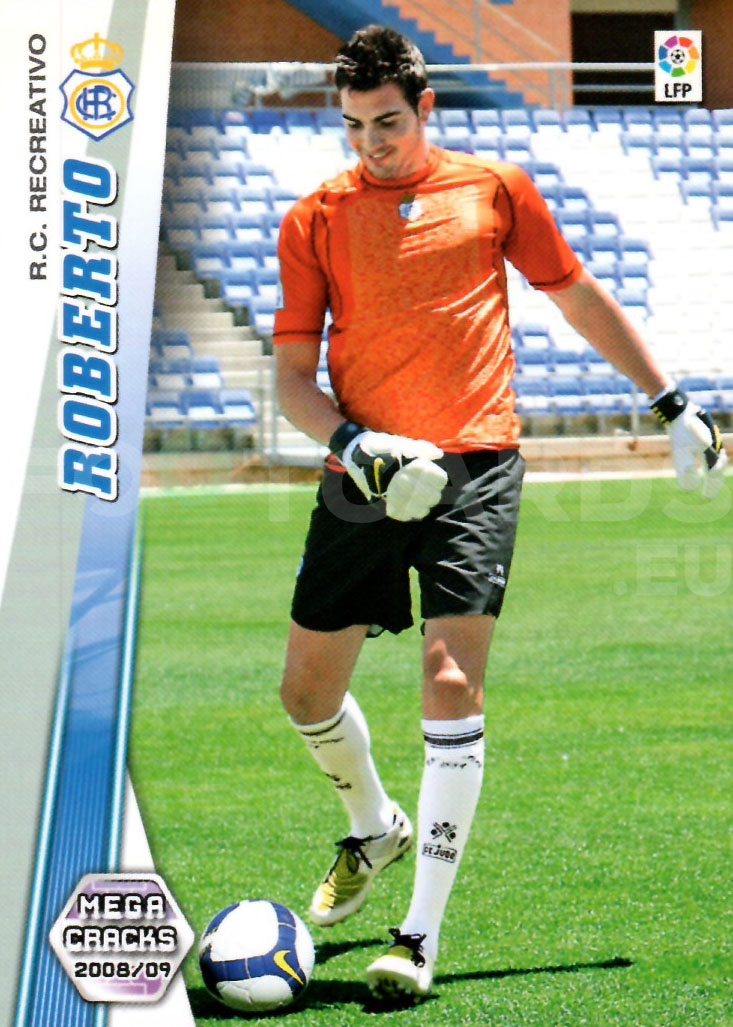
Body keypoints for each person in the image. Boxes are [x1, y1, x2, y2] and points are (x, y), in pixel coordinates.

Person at [271, 25, 727, 1002]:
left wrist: (668, 402)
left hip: (475, 463)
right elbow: (291, 381)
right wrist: (357, 443)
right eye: (353, 125)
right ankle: (374, 826)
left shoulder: (494, 189)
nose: (371, 143)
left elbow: (575, 295)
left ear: (424, 107)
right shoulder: (313, 218)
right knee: (304, 694)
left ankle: (417, 937)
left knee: (449, 680)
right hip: (364, 473)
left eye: (387, 122)